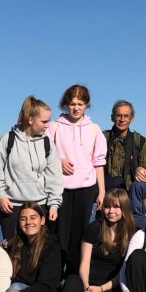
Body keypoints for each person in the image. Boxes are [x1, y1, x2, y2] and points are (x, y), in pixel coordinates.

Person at [49, 84, 107, 274]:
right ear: (65, 104)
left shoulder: (94, 129)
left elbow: (98, 162)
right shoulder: (54, 127)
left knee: (79, 234)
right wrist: (58, 161)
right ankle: (55, 277)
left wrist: (101, 191)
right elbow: (44, 154)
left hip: (86, 188)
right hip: (60, 189)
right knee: (59, 234)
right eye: (72, 104)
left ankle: (73, 278)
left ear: (86, 105)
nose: (76, 108)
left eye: (80, 104)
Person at [0, 95, 63, 242]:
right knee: (12, 250)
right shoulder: (7, 140)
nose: (47, 125)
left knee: (38, 251)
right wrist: (1, 195)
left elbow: (54, 177)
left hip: (39, 205)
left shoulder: (47, 144)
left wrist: (54, 205)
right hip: (10, 206)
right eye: (44, 121)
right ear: (30, 120)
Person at [103, 100, 146, 192]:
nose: (122, 119)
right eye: (118, 115)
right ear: (112, 117)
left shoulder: (140, 141)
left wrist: (141, 170)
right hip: (105, 192)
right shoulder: (101, 138)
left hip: (130, 193)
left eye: (126, 116)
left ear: (131, 119)